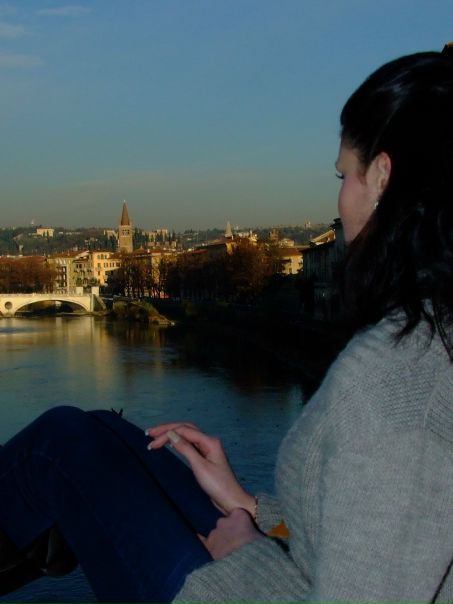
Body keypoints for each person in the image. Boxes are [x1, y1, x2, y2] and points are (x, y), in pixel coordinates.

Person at [2, 43, 453, 604]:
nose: (339, 199)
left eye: (343, 175)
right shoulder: (426, 343)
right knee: (109, 433)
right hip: (271, 563)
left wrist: (247, 553)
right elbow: (370, 537)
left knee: (59, 446)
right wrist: (248, 506)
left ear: (382, 177)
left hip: (244, 588)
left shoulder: (400, 383)